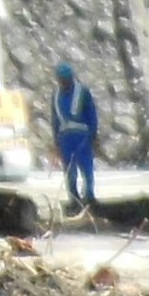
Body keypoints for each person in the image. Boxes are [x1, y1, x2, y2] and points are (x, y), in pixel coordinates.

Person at [52, 60, 99, 209]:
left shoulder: (83, 92)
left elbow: (92, 114)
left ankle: (90, 197)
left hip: (82, 138)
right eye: (61, 80)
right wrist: (57, 143)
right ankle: (74, 200)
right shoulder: (55, 95)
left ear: (71, 78)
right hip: (65, 139)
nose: (64, 82)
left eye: (66, 79)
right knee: (69, 171)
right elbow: (54, 120)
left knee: (87, 168)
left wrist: (92, 135)